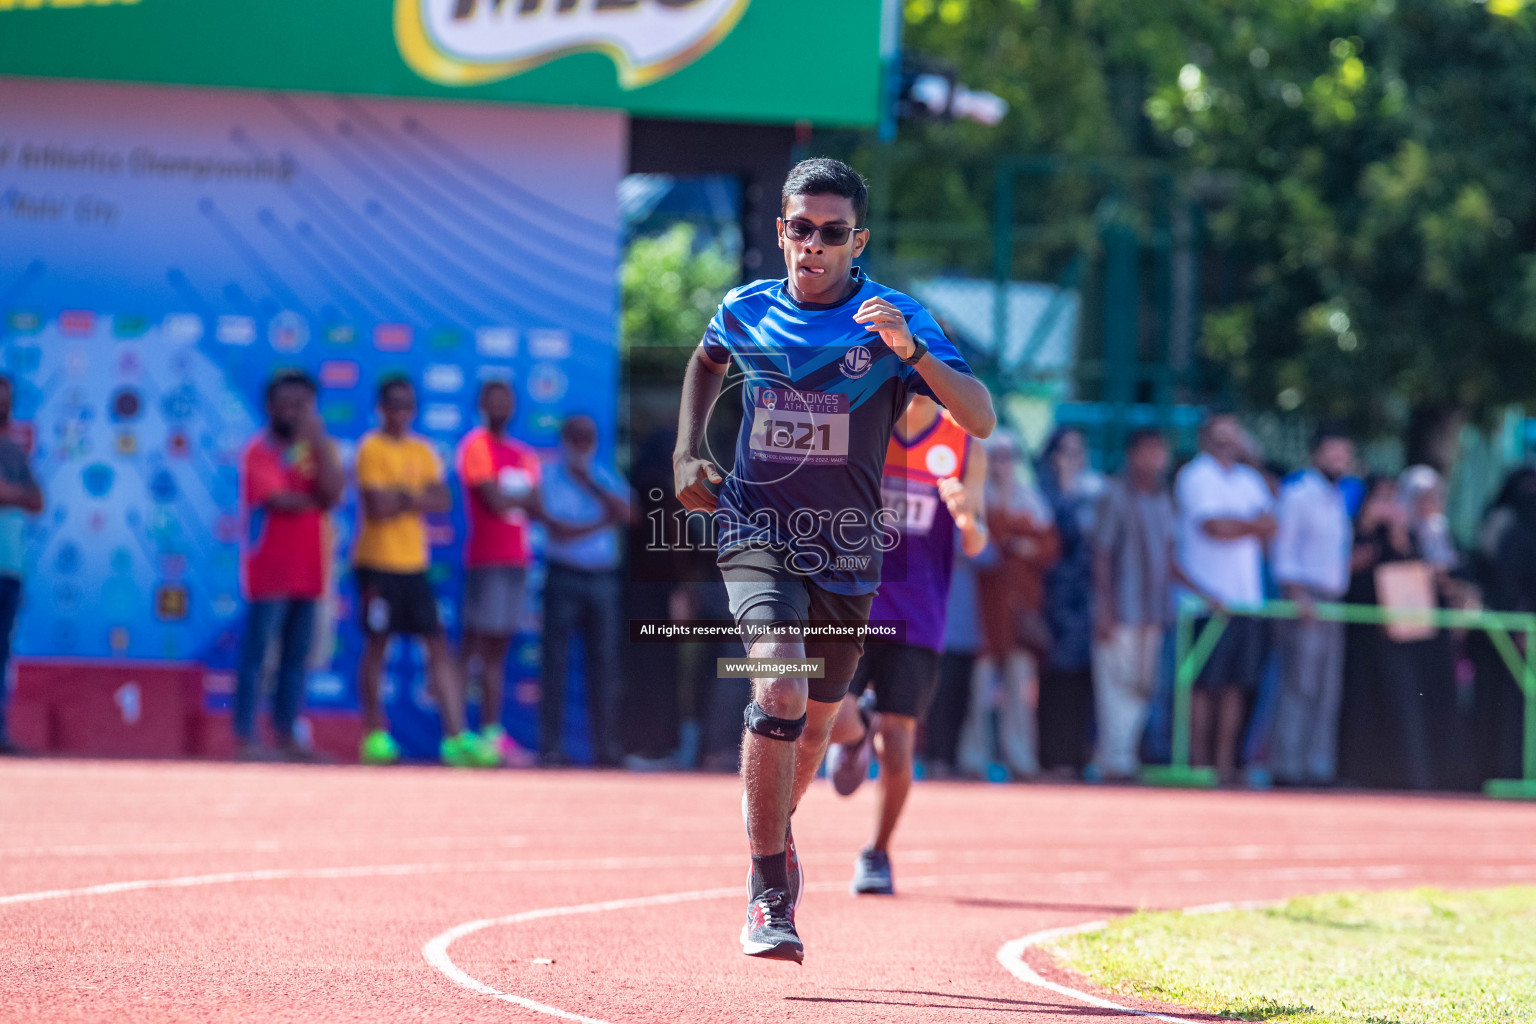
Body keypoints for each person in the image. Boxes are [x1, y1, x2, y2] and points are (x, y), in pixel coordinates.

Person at [673, 158, 994, 963]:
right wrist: (687, 451)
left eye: (832, 232)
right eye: (800, 229)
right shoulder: (745, 308)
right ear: (781, 230)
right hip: (753, 533)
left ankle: (778, 831)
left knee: (815, 725)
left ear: (860, 241)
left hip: (850, 555)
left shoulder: (893, 317)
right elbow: (707, 361)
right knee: (775, 682)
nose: (813, 245)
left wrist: (910, 349)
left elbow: (980, 417)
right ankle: (767, 896)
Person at [821, 393, 989, 895]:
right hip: (852, 602)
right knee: (829, 720)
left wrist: (966, 520)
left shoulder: (962, 442)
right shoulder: (861, 422)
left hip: (919, 615)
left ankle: (877, 852)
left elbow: (977, 541)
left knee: (898, 745)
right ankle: (856, 733)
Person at [353, 376, 492, 768]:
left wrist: (401, 497)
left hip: (415, 563)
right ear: (380, 408)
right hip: (376, 563)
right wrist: (416, 497)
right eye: (393, 405)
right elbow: (378, 507)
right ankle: (374, 736)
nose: (400, 413)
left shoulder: (424, 449)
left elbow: (443, 498)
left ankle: (455, 738)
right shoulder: (370, 448)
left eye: (407, 405)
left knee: (436, 645)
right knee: (377, 646)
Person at [1090, 428, 1212, 781]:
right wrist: (1105, 607)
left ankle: (1118, 756)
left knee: (1144, 689)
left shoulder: (1163, 500)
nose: (1156, 460)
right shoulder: (1113, 496)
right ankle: (1116, 761)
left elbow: (1170, 558)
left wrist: (1203, 592)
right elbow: (1101, 555)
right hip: (1122, 609)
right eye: (1149, 451)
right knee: (1116, 688)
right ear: (1132, 454)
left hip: (1154, 612)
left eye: (1160, 452)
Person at [235, 370, 344, 761]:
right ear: (269, 407)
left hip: (309, 571)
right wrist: (316, 499)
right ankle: (246, 739)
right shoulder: (259, 450)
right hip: (269, 573)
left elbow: (332, 492)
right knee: (257, 658)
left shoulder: (314, 450)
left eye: (302, 405)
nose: (293, 412)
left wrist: (317, 443)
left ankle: (287, 737)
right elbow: (278, 500)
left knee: (296, 663)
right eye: (286, 404)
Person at [1175, 412, 1276, 784]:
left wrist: (1239, 524)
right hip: (1204, 600)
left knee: (1236, 687)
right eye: (1219, 434)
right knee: (1203, 686)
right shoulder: (1195, 475)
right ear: (1205, 437)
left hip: (1246, 599)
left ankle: (1224, 765)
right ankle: (1199, 764)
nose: (1227, 441)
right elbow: (1213, 527)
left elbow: (1272, 525)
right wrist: (1251, 525)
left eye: (1233, 435)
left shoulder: (1250, 479)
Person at [958, 430, 1059, 779]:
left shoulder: (1031, 497)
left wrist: (1023, 542)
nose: (1003, 464)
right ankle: (974, 758)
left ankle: (1021, 759)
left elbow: (1049, 547)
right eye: (996, 456)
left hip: (1021, 611)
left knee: (1020, 692)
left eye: (1008, 457)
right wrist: (1017, 536)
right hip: (985, 613)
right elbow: (991, 543)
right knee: (979, 692)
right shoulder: (976, 496)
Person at [538, 413, 632, 767]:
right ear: (563, 439)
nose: (581, 444)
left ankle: (606, 749)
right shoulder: (548, 476)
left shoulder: (603, 473)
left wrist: (589, 483)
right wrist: (601, 521)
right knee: (555, 665)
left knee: (604, 666)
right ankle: (550, 748)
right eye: (575, 437)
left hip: (602, 579)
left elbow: (630, 513)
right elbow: (558, 530)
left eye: (587, 437)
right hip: (563, 576)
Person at [456, 379, 541, 766]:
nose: (500, 408)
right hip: (486, 559)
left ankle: (490, 734)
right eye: (492, 401)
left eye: (506, 401)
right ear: (481, 405)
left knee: (497, 651)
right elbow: (492, 500)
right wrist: (517, 498)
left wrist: (516, 499)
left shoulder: (523, 454)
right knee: (473, 648)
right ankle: (459, 735)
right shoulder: (476, 446)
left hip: (516, 559)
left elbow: (537, 505)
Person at [1269, 426, 1355, 787]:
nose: (1338, 461)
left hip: (1333, 600)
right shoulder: (1298, 494)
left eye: (1343, 455)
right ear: (1315, 454)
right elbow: (1284, 549)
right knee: (1299, 684)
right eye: (1332, 453)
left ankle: (1317, 766)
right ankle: (1287, 766)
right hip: (1304, 597)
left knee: (1326, 687)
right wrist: (1295, 595)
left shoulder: (1337, 497)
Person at [1036, 427, 1103, 777]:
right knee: (1053, 677)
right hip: (1049, 598)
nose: (1072, 460)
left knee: (1082, 679)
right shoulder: (1040, 492)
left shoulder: (1095, 493)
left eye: (1078, 452)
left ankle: (1078, 756)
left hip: (1086, 600)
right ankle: (1051, 756)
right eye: (1065, 452)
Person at [0, 375, 42, 756]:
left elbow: (38, 499)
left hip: (10, 564)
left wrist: (9, 493)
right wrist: (18, 495)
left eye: (6, 401)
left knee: (2, 651)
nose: (2, 407)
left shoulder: (13, 451)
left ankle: (0, 732)